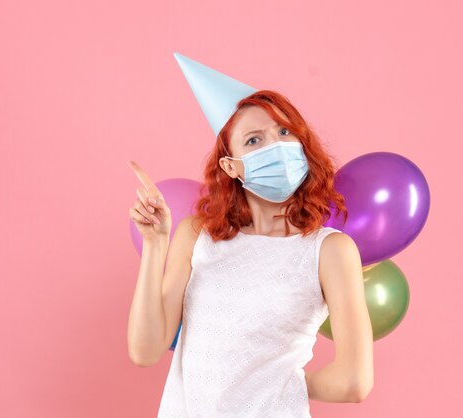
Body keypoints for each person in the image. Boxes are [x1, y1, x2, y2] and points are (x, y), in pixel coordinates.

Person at [127, 89, 373, 417]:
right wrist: (155, 245)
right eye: (254, 141)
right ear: (231, 166)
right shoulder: (196, 236)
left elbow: (354, 381)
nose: (275, 145)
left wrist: (281, 385)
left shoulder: (329, 250)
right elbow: (145, 350)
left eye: (284, 132)